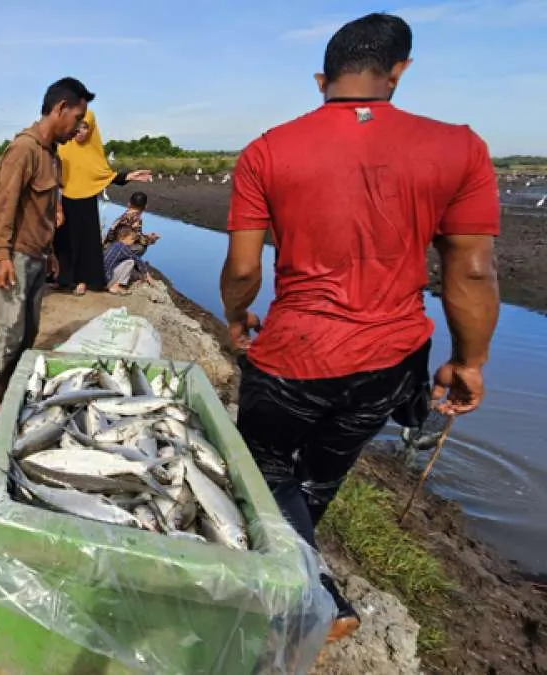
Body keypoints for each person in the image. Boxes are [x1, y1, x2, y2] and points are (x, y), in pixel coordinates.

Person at [220, 12, 499, 644]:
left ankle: (312, 592)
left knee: (264, 469)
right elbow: (474, 269)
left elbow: (242, 268)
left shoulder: (269, 149)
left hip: (294, 353)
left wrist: (238, 317)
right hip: (391, 361)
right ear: (398, 71)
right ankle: (296, 564)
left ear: (323, 78)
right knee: (322, 472)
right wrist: (470, 359)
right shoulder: (460, 147)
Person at [0, 77, 93, 426]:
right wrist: (1, 256)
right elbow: (3, 207)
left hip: (38, 256)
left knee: (29, 331)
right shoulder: (24, 150)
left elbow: (46, 211)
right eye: (77, 118)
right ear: (60, 109)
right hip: (16, 255)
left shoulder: (51, 155)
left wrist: (52, 252)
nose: (77, 128)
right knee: (10, 330)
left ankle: (10, 386)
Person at [54, 110, 153, 295]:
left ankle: (82, 280)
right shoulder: (63, 147)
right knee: (64, 240)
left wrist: (128, 176)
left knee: (85, 242)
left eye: (84, 127)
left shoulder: (93, 151)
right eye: (76, 126)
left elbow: (104, 174)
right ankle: (63, 278)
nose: (80, 131)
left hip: (86, 202)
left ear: (91, 129)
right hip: (65, 199)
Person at [102, 190, 161, 257]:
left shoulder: (125, 216)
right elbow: (135, 239)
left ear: (129, 204)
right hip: (113, 249)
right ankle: (120, 262)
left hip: (109, 246)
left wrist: (147, 237)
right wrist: (150, 239)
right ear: (145, 207)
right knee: (141, 248)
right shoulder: (133, 218)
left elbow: (133, 236)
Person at [103, 223, 150, 295]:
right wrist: (146, 273)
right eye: (132, 239)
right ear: (123, 238)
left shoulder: (113, 245)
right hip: (106, 279)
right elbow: (136, 259)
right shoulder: (122, 247)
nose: (133, 242)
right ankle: (115, 287)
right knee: (130, 262)